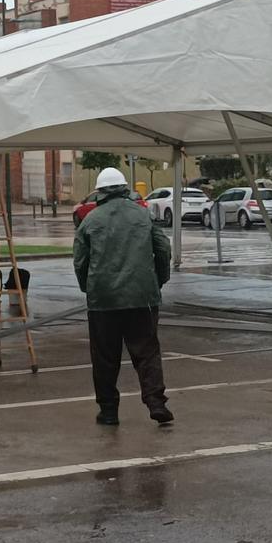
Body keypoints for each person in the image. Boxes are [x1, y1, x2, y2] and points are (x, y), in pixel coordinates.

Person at [74, 167, 173, 426]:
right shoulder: (142, 215)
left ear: (100, 192)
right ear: (124, 188)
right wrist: (158, 281)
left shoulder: (90, 221)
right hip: (142, 297)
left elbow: (80, 262)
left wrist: (89, 288)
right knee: (147, 352)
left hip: (103, 301)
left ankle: (108, 411)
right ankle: (156, 402)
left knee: (105, 357)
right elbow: (163, 249)